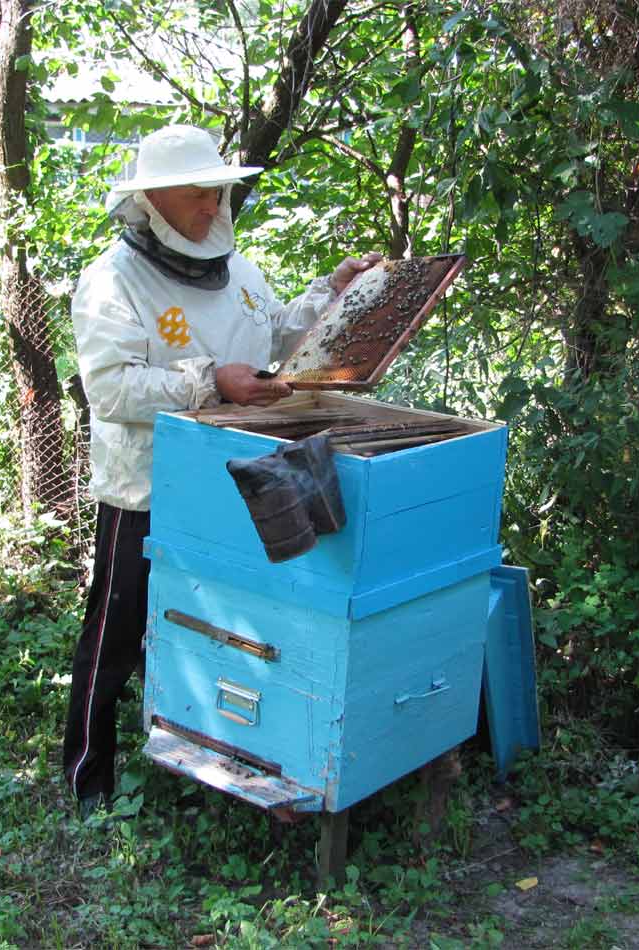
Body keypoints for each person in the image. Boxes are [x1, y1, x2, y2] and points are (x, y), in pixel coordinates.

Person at [62, 123, 379, 816]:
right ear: (155, 201)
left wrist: (332, 294)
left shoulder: (238, 270)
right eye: (198, 195)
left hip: (236, 474)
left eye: (218, 193)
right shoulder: (111, 282)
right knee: (114, 631)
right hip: (146, 486)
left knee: (214, 624)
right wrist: (209, 380)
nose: (213, 207)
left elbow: (273, 339)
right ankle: (88, 777)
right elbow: (111, 389)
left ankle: (198, 745)